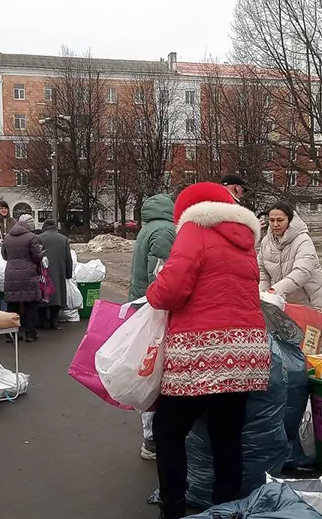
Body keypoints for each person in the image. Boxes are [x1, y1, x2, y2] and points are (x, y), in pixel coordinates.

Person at [146, 182, 270, 519]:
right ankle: (225, 508)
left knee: (168, 429)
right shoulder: (244, 241)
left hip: (202, 351)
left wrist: (153, 292)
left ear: (188, 210)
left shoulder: (195, 229)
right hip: (248, 351)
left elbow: (172, 290)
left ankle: (172, 510)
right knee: (226, 433)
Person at [128, 194, 177, 461]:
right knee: (156, 376)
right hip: (153, 310)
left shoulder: (149, 227)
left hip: (142, 306)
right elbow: (160, 276)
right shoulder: (164, 230)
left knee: (150, 373)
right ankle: (154, 439)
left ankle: (151, 437)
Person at [258, 202, 322, 310]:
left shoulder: (303, 240)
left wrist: (275, 290)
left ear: (289, 220)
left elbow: (302, 271)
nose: (275, 224)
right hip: (281, 301)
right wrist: (263, 294)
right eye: (271, 220)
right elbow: (262, 270)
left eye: (280, 220)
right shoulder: (266, 241)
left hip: (309, 302)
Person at [2, 214, 45, 342]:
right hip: (28, 274)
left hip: (11, 273)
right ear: (30, 226)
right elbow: (37, 257)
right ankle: (30, 334)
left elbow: (4, 255)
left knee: (12, 305)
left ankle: (10, 334)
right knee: (31, 305)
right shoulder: (32, 237)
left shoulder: (7, 237)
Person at [37, 219, 73, 329]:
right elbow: (68, 258)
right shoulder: (64, 239)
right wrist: (68, 274)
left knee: (44, 295)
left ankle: (42, 321)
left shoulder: (39, 238)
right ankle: (53, 321)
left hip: (44, 273)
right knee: (57, 296)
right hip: (59, 271)